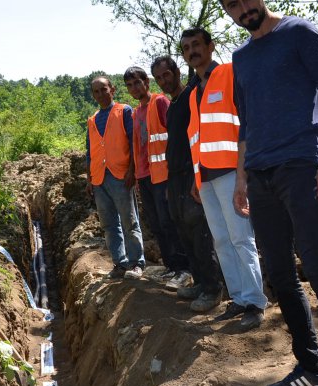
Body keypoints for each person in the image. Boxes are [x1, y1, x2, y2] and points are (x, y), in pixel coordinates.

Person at [222, 0, 318, 386]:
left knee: (317, 266)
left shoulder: (299, 32)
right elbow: (244, 121)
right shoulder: (240, 57)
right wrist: (242, 177)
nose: (242, 8)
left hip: (300, 165)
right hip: (260, 174)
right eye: (231, 4)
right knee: (280, 272)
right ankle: (311, 365)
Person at [182, 28, 268, 331]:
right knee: (221, 240)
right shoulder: (194, 93)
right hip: (206, 177)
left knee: (241, 238)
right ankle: (239, 298)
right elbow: (197, 139)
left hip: (232, 172)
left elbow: (245, 122)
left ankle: (256, 302)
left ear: (210, 46)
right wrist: (196, 177)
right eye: (187, 48)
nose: (192, 51)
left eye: (196, 45)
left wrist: (244, 173)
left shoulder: (230, 73)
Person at [150, 56, 224, 312]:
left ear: (177, 72)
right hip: (175, 177)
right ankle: (201, 282)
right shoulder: (172, 107)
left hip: (191, 173)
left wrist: (197, 173)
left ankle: (214, 288)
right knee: (183, 230)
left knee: (200, 230)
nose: (163, 81)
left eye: (166, 75)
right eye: (158, 78)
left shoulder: (192, 96)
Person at [122, 66, 191, 289]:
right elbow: (137, 146)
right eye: (130, 85)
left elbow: (175, 136)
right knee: (157, 225)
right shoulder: (135, 112)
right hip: (144, 176)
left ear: (146, 82)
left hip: (162, 174)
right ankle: (171, 266)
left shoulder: (159, 102)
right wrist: (133, 171)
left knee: (169, 222)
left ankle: (184, 270)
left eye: (137, 83)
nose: (134, 88)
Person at [85, 76, 145, 279]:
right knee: (109, 224)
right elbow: (89, 151)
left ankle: (136, 262)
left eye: (104, 89)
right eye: (96, 91)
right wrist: (89, 177)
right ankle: (120, 263)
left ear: (112, 89)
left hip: (120, 175)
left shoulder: (124, 111)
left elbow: (133, 141)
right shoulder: (93, 119)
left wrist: (132, 170)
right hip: (99, 178)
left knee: (129, 221)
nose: (101, 94)